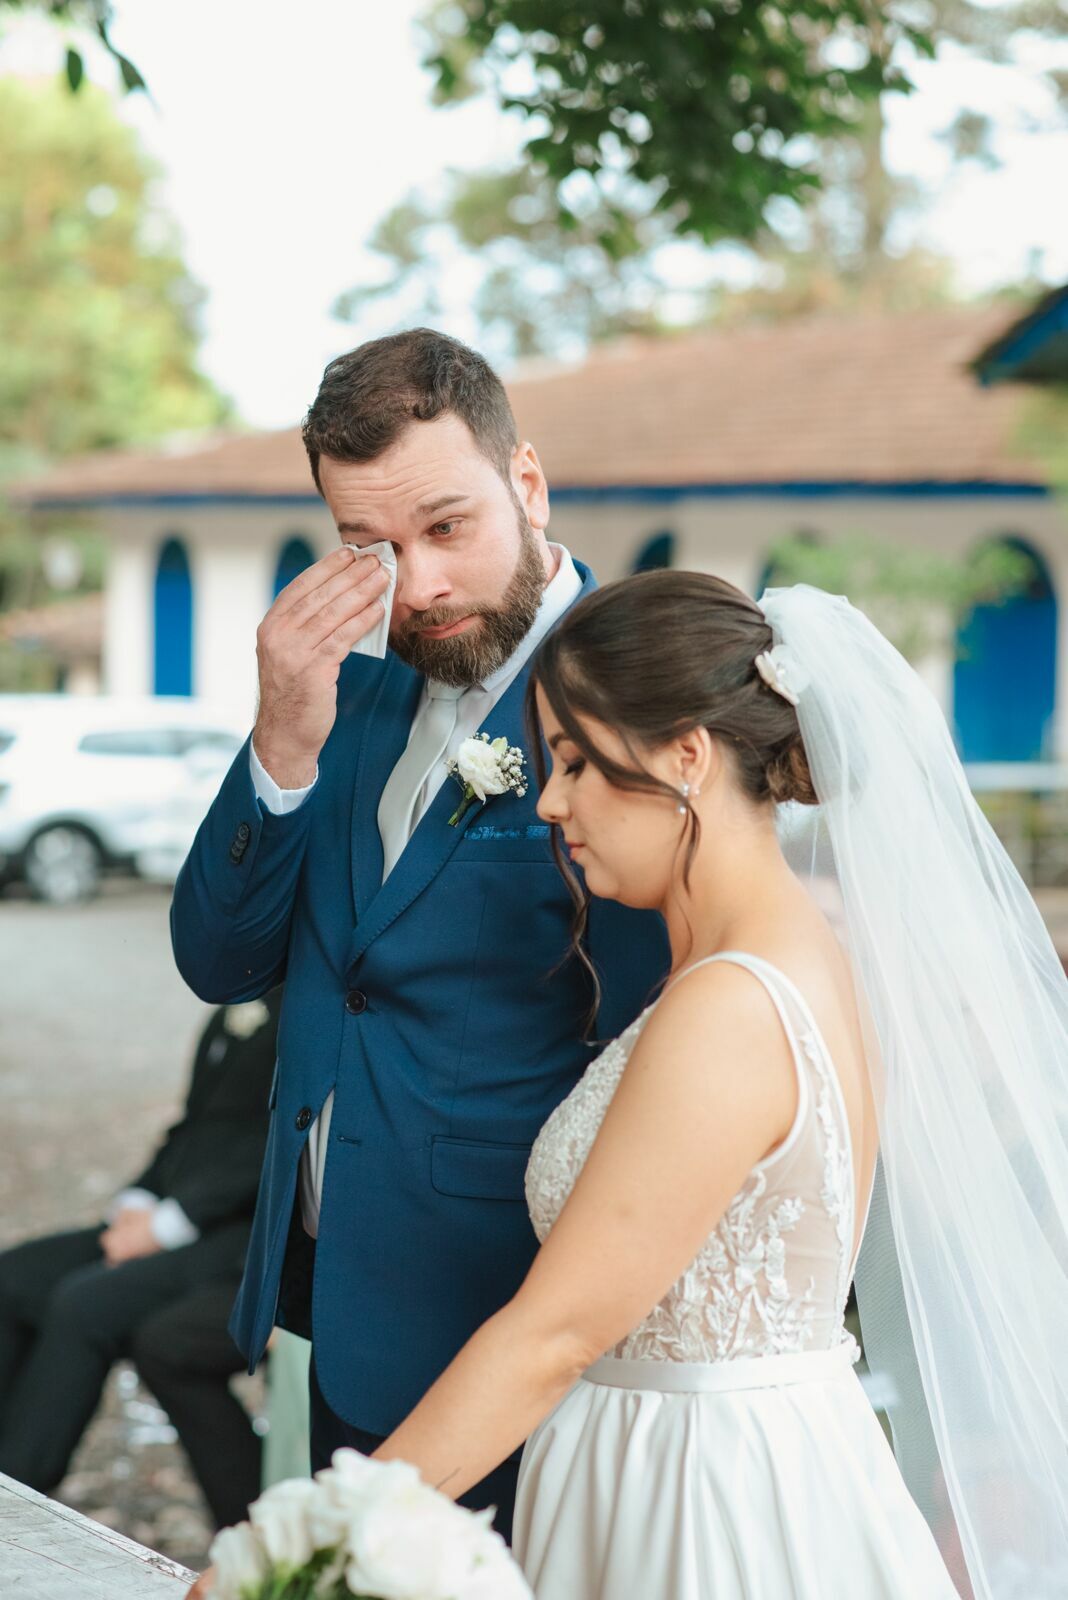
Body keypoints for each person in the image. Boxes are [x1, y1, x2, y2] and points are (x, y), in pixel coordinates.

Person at [312, 571, 1065, 1600]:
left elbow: (553, 1333)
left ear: (686, 754)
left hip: (702, 1499)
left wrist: (311, 1549)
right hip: (701, 1453)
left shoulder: (731, 1008)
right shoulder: (786, 960)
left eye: (576, 761)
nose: (550, 801)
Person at [170, 330, 669, 1552]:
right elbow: (221, 964)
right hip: (333, 1295)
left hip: (516, 1318)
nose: (420, 584)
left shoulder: (640, 701)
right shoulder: (354, 687)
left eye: (448, 527)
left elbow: (668, 1036)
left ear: (529, 484)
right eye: (371, 548)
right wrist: (284, 735)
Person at [0, 990, 280, 1531]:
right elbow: (192, 1127)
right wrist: (138, 1202)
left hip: (240, 1238)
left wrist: (168, 1225)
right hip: (170, 1212)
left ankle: (20, 1492)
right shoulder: (237, 1004)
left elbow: (272, 1151)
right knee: (13, 1278)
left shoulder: (313, 1015)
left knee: (83, 1305)